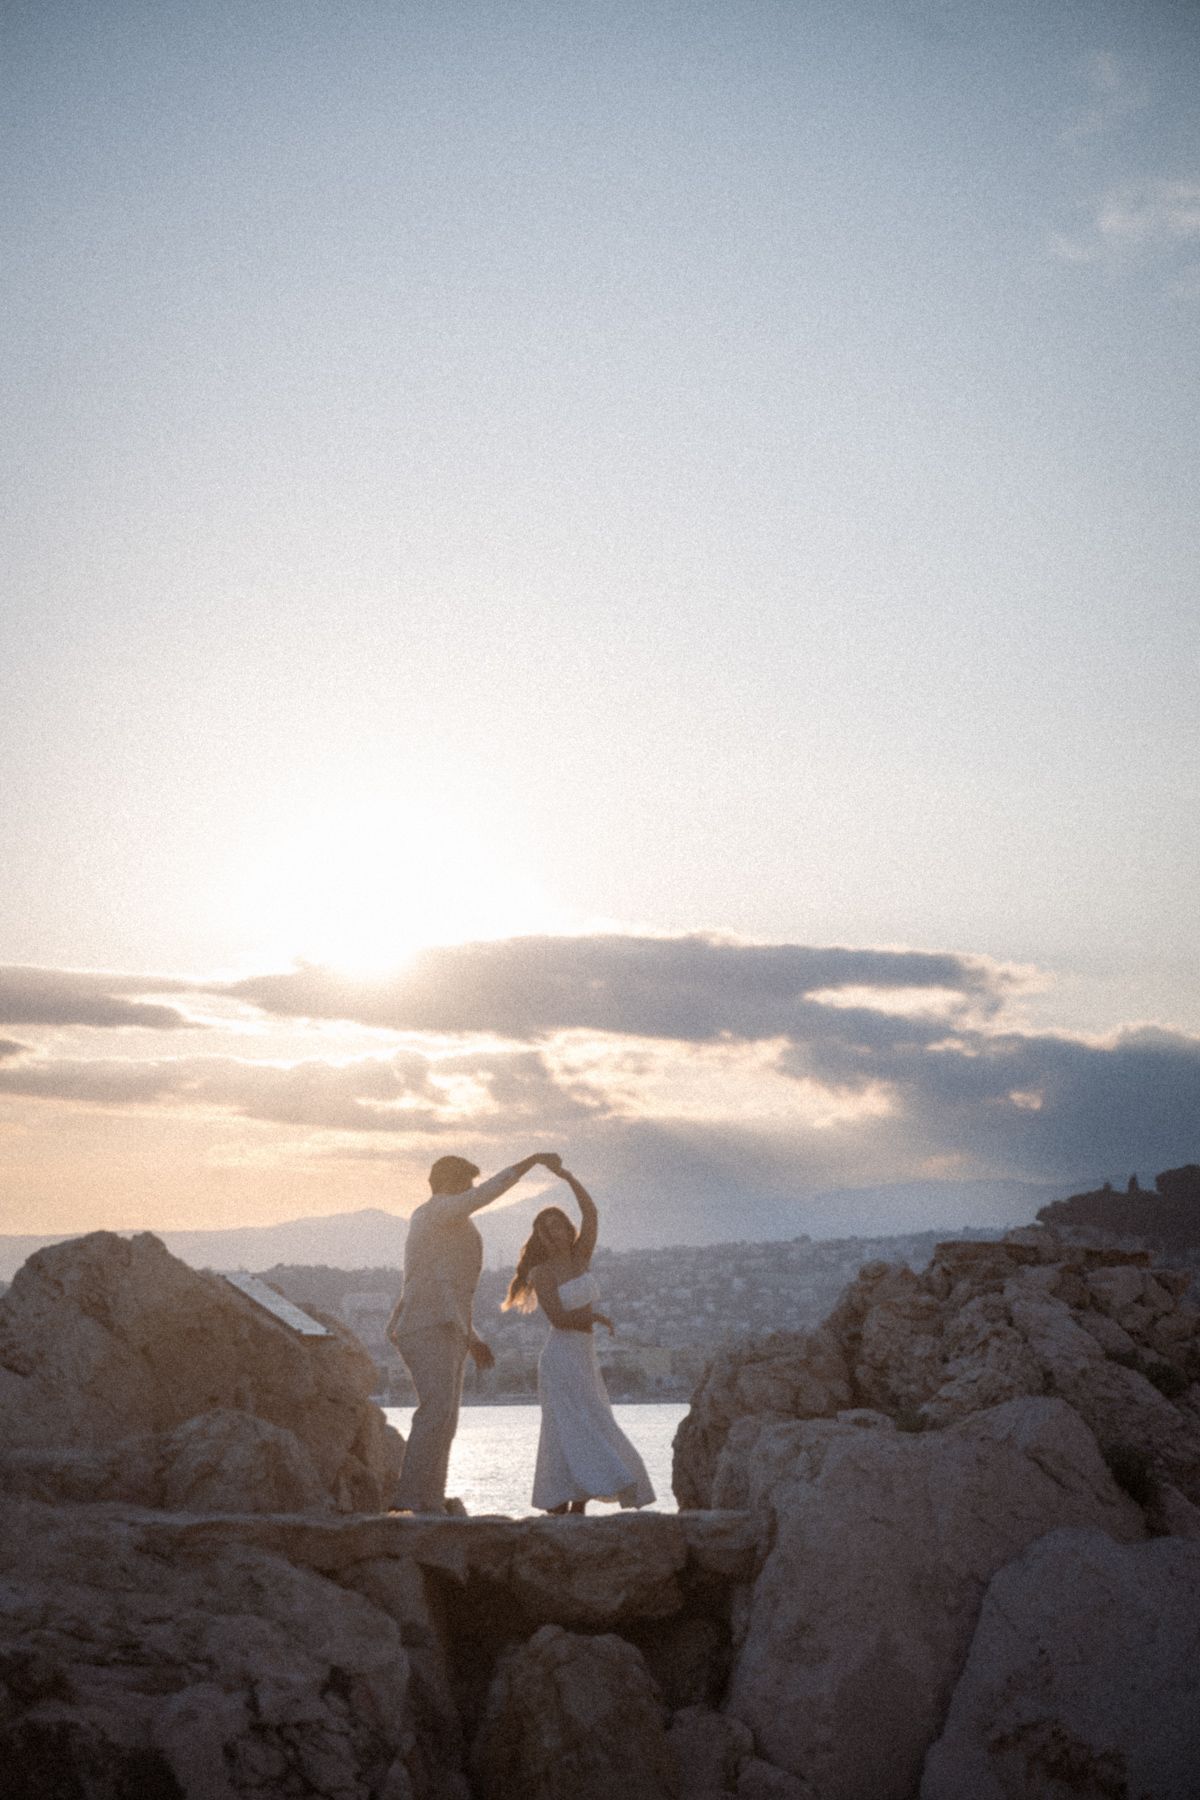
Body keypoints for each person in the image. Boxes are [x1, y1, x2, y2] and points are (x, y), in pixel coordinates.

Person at [388, 1149, 562, 1514]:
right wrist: (530, 1162)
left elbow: (442, 1284)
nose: (471, 1190)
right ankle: (409, 1501)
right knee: (435, 1413)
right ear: (451, 1184)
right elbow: (485, 1196)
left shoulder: (443, 1221)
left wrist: (473, 1338)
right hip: (428, 1327)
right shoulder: (436, 1212)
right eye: (466, 1184)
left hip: (446, 1327)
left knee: (445, 1419)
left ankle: (429, 1500)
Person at [504, 1165, 654, 1514]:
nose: (555, 1231)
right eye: (547, 1227)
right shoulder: (541, 1273)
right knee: (567, 1427)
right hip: (560, 1356)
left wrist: (568, 1178)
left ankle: (578, 1502)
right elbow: (557, 1318)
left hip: (585, 1355)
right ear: (540, 1236)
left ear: (567, 1228)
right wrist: (595, 1316)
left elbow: (591, 1212)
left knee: (595, 1421)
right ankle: (560, 1499)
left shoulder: (580, 1257)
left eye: (559, 1223)